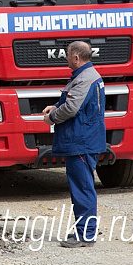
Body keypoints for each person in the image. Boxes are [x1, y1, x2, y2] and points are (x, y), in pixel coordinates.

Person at [43, 40, 106, 247]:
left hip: (81, 142)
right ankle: (82, 232)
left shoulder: (85, 79)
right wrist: (56, 106)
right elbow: (73, 102)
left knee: (83, 189)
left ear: (76, 58)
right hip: (84, 141)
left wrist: (51, 118)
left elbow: (71, 109)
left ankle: (85, 236)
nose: (66, 58)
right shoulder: (86, 76)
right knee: (81, 187)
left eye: (68, 55)